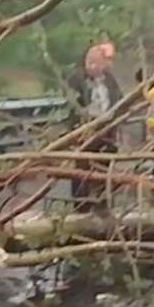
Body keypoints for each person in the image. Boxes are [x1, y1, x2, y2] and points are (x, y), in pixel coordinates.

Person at [64, 42, 125, 206]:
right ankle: (81, 206)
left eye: (97, 62)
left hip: (107, 133)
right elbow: (72, 107)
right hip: (85, 133)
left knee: (104, 171)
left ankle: (103, 204)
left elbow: (120, 100)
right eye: (90, 62)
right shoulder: (76, 79)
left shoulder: (110, 80)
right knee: (82, 172)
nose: (92, 66)